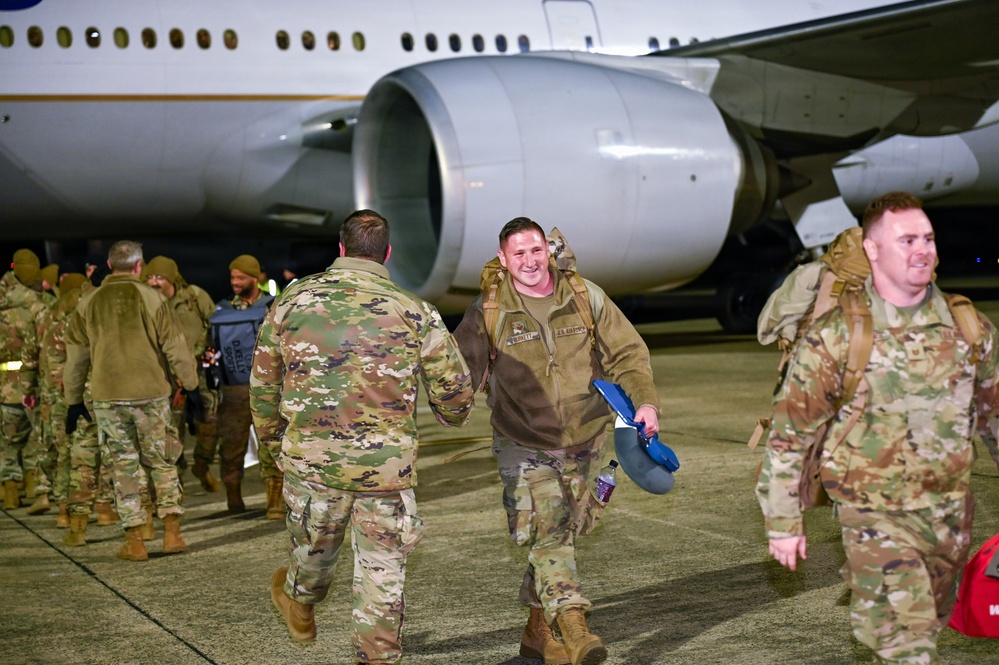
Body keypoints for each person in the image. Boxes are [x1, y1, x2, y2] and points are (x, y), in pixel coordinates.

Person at [756, 191, 999, 664]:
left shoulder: (968, 327)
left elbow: (995, 417)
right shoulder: (838, 335)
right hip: (873, 517)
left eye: (927, 238)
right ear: (872, 250)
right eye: (906, 239)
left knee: (920, 625)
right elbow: (791, 434)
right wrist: (783, 521)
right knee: (907, 642)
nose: (922, 249)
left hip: (949, 518)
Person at [250, 209, 474, 664]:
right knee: (382, 576)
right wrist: (450, 413)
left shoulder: (291, 302)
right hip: (385, 472)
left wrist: (277, 449)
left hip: (312, 463)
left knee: (314, 548)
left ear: (340, 249)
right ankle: (376, 656)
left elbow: (262, 388)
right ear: (387, 253)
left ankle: (300, 603)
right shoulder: (415, 310)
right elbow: (455, 397)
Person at [453, 217, 661, 665]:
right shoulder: (487, 310)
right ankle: (573, 625)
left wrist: (645, 403)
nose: (529, 261)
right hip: (523, 441)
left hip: (586, 436)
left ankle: (536, 633)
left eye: (535, 250)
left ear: (547, 250)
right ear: (503, 259)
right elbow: (457, 375)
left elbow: (627, 354)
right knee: (549, 527)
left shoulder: (586, 296)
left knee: (563, 530)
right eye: (518, 254)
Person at [64, 240, 203, 561]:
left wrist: (73, 401)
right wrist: (192, 385)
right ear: (139, 267)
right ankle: (172, 534)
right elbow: (176, 347)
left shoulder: (88, 303)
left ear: (110, 266)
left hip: (108, 397)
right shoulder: (152, 298)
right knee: (162, 460)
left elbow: (75, 359)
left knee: (123, 466)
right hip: (151, 394)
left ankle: (135, 541)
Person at [200, 254, 282, 515]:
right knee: (231, 446)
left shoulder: (273, 306)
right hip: (233, 390)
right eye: (233, 277)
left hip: (268, 389)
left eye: (241, 277)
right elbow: (208, 347)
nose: (235, 282)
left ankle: (275, 503)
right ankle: (234, 500)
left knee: (272, 446)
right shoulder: (221, 309)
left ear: (256, 277)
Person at [144, 256, 216, 488]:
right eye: (150, 277)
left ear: (172, 278)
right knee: (171, 432)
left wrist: (205, 356)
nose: (154, 282)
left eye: (160, 278)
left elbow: (215, 326)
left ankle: (202, 464)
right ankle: (177, 481)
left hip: (199, 373)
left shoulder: (194, 297)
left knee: (210, 421)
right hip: (167, 379)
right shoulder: (146, 303)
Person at [0, 249, 42, 509]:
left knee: (5, 441)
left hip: (3, 382)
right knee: (35, 438)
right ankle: (34, 486)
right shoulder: (37, 305)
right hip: (31, 381)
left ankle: (10, 491)